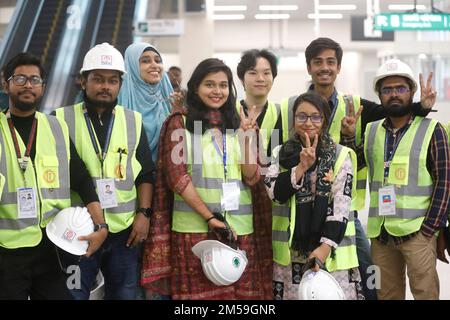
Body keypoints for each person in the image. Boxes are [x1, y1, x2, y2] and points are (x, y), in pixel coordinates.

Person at [280, 37, 436, 300]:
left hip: (344, 210)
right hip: (301, 208)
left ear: (339, 67)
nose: (324, 67)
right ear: (309, 68)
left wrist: (423, 107)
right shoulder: (290, 107)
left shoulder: (355, 105)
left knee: (368, 271)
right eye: (317, 62)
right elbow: (280, 153)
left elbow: (395, 110)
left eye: (330, 62)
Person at [141, 58, 272, 300]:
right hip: (195, 231)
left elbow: (252, 178)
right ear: (196, 88)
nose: (217, 91)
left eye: (223, 85)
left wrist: (245, 139)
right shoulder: (180, 123)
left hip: (238, 231)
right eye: (209, 84)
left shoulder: (237, 124)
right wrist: (210, 217)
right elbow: (177, 178)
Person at [0, 52, 106, 300]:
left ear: (43, 87)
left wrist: (100, 225)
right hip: (7, 250)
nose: (28, 85)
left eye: (35, 80)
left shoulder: (55, 127)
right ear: (6, 84)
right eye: (20, 79)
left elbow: (80, 177)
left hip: (54, 247)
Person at [54, 43, 156, 300]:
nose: (105, 86)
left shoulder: (133, 120)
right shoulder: (59, 120)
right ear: (82, 81)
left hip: (124, 233)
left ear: (120, 84)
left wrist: (144, 214)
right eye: (97, 79)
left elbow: (145, 174)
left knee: (124, 295)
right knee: (73, 295)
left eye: (112, 80)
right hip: (79, 230)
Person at [351, 58, 449, 300]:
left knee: (425, 294)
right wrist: (347, 138)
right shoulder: (371, 130)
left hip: (417, 233)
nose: (394, 94)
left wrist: (429, 230)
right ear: (380, 95)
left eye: (400, 88)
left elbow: (445, 182)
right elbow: (353, 164)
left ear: (411, 92)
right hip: (381, 235)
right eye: (387, 90)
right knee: (386, 295)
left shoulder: (431, 130)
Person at [265, 91, 362, 300]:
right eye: (302, 116)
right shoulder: (280, 153)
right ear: (294, 119)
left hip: (332, 254)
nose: (308, 122)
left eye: (315, 117)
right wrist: (301, 166)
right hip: (290, 257)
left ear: (324, 120)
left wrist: (324, 249)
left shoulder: (340, 155)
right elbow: (275, 193)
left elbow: (340, 206)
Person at [118, 43, 184, 164]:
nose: (155, 65)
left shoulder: (168, 98)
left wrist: (176, 114)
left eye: (158, 61)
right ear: (132, 65)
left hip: (165, 174)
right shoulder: (121, 98)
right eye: (145, 61)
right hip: (131, 175)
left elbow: (179, 145)